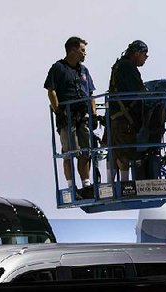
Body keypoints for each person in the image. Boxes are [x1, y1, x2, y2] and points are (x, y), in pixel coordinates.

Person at [44, 36, 96, 199]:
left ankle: (86, 185)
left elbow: (91, 93)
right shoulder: (58, 68)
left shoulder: (84, 70)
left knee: (86, 150)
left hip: (83, 116)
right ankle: (71, 186)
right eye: (82, 50)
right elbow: (51, 90)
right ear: (73, 50)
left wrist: (93, 114)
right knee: (69, 152)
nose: (84, 54)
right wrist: (58, 110)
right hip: (67, 117)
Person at [108, 40, 149, 180]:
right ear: (137, 53)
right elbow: (138, 91)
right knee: (124, 153)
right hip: (124, 119)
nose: (145, 58)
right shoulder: (128, 67)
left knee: (114, 152)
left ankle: (111, 184)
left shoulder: (119, 65)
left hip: (115, 116)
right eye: (145, 55)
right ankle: (125, 186)